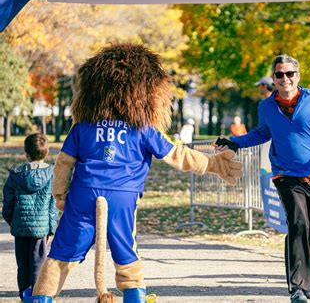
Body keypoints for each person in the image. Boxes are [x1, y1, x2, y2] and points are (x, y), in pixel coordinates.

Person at [26, 43, 243, 303]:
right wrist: (214, 164)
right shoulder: (144, 128)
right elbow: (177, 155)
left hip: (84, 192)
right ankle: (134, 295)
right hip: (124, 196)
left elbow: (63, 163)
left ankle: (42, 298)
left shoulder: (82, 126)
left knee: (63, 251)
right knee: (125, 249)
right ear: (147, 92)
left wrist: (60, 195)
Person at [218, 54, 310, 303]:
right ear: (274, 78)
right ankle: (297, 287)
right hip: (285, 175)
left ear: (297, 76)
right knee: (298, 224)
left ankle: (307, 277)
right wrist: (234, 142)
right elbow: (262, 133)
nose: (285, 78)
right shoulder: (266, 106)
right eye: (279, 74)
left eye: (290, 74)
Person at [2, 133, 58, 301]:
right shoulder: (51, 175)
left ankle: (24, 294)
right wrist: (51, 228)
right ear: (46, 153)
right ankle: (38, 295)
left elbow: (8, 205)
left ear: (26, 154)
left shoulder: (16, 176)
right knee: (38, 264)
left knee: (23, 264)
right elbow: (53, 205)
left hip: (20, 228)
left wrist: (14, 222)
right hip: (40, 230)